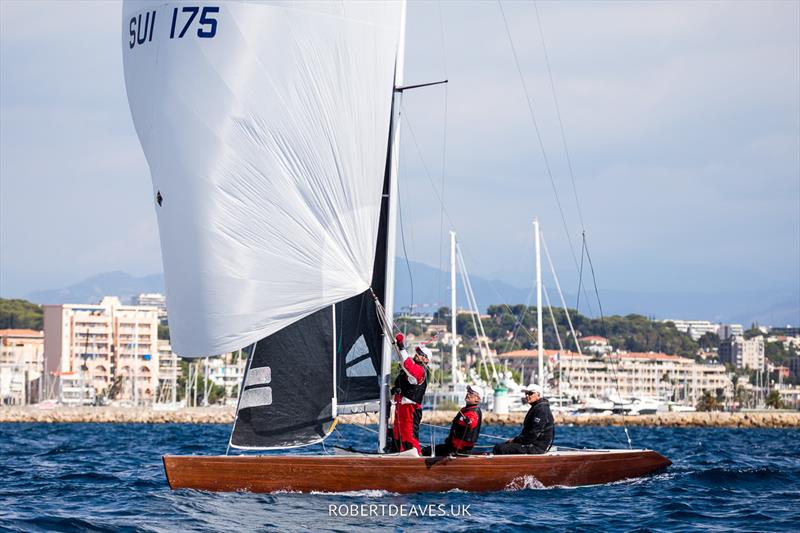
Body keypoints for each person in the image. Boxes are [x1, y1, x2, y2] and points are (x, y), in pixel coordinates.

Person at [391, 333, 430, 454]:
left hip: (410, 409)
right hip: (401, 407)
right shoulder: (410, 369)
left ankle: (415, 458)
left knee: (409, 437)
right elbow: (404, 363)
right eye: (417, 352)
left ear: (426, 360)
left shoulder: (419, 370)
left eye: (421, 354)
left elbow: (407, 365)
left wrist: (401, 345)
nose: (417, 355)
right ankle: (395, 455)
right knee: (397, 435)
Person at [422, 384, 483, 457]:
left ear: (477, 399)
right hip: (453, 447)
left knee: (425, 451)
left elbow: (472, 421)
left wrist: (469, 421)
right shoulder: (466, 409)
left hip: (459, 450)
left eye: (471, 393)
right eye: (468, 392)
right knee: (427, 450)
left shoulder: (473, 412)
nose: (468, 394)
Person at [492, 384, 554, 455]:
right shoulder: (537, 407)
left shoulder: (541, 410)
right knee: (502, 446)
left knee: (499, 448)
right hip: (531, 445)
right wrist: (515, 441)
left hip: (536, 448)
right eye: (526, 393)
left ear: (538, 394)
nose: (527, 396)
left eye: (530, 393)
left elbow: (533, 434)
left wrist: (515, 441)